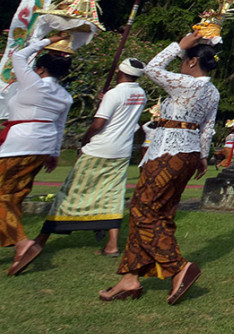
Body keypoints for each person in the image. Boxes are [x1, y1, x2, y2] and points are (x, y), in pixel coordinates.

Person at [99, 32, 219, 302]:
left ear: (190, 63)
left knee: (143, 210)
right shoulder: (212, 90)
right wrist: (202, 156)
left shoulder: (188, 83)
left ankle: (178, 267)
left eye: (183, 59)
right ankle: (129, 279)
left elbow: (150, 69)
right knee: (160, 212)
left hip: (170, 150)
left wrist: (178, 46)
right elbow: (208, 127)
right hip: (187, 153)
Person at [36, 58, 147, 258]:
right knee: (112, 195)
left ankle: (41, 239)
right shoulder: (140, 94)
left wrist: (84, 141)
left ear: (119, 71)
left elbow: (98, 124)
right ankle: (112, 245)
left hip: (100, 148)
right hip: (122, 151)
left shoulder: (114, 93)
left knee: (70, 191)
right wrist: (104, 100)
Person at [1, 34, 72, 276]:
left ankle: (22, 243)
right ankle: (15, 244)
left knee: (3, 197)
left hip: (19, 144)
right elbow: (60, 126)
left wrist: (48, 39)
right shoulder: (65, 95)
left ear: (40, 69)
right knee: (15, 196)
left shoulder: (34, 83)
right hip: (42, 146)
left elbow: (18, 55)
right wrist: (53, 153)